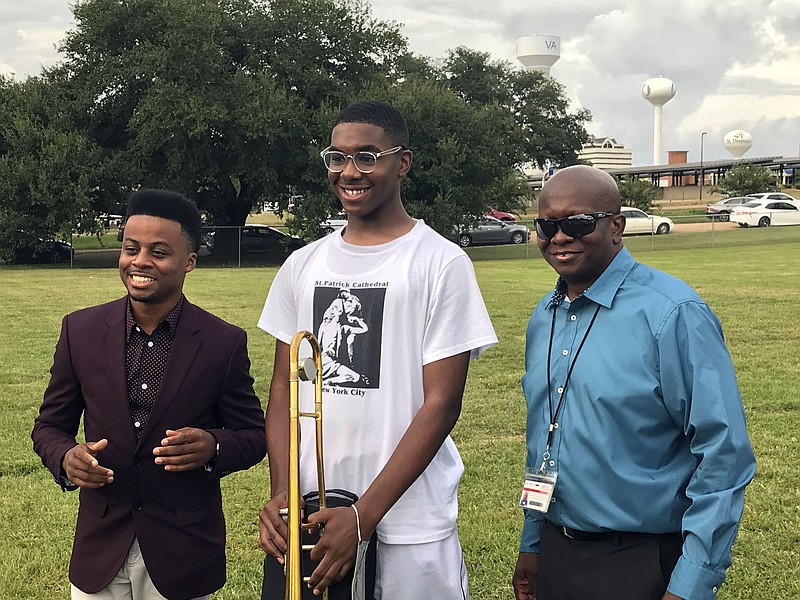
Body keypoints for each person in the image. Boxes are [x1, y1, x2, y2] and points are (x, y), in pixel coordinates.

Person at [257, 100, 497, 599]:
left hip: (410, 522)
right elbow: (285, 387)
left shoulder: (441, 262)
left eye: (367, 156)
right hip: (314, 515)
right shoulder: (301, 264)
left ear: (401, 162)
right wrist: (283, 495)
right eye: (337, 157)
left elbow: (441, 404)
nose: (350, 171)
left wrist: (363, 517)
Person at [512, 165, 756, 600]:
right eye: (547, 225)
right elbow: (543, 444)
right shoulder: (543, 317)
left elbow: (724, 455)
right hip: (556, 552)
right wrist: (533, 541)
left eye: (578, 222)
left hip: (642, 560)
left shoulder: (673, 313)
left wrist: (691, 583)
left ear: (617, 226)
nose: (559, 236)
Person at [32, 189, 267, 600]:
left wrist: (213, 445)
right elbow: (50, 426)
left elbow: (253, 434)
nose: (140, 261)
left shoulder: (222, 342)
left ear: (189, 262)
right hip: (100, 545)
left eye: (159, 252)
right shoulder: (80, 331)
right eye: (131, 248)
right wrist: (67, 459)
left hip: (183, 548)